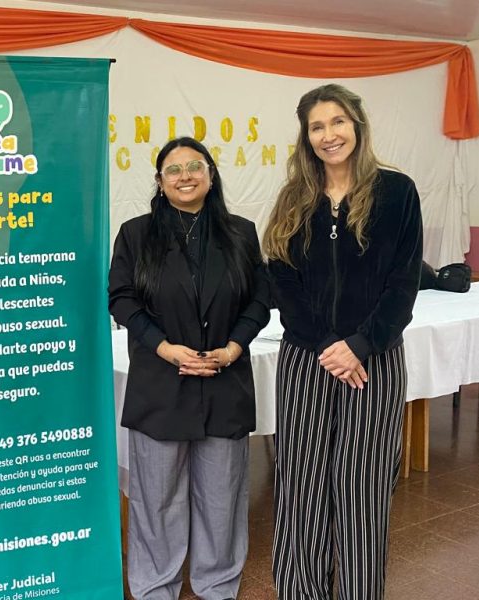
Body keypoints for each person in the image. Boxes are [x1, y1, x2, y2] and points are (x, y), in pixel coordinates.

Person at [263, 83, 423, 599]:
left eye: (337, 122)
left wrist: (360, 344)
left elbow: (403, 284)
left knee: (362, 487)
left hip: (372, 361)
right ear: (306, 136)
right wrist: (329, 344)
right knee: (301, 483)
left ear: (357, 124)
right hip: (306, 357)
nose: (328, 134)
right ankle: (301, 591)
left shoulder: (397, 193)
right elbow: (281, 280)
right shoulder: (294, 197)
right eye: (317, 126)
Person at [109, 137, 270, 600]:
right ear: (160, 181)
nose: (185, 176)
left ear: (211, 175)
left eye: (194, 166)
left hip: (225, 380)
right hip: (160, 383)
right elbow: (121, 299)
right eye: (173, 170)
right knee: (157, 499)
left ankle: (216, 584)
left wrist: (233, 348)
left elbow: (261, 299)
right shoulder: (136, 234)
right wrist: (165, 349)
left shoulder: (241, 232)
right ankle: (155, 585)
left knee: (222, 497)